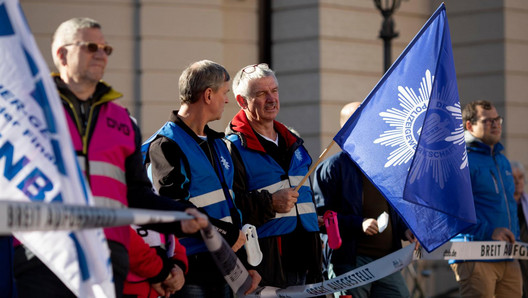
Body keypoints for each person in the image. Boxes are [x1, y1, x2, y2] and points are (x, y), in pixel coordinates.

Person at [13, 17, 209, 298]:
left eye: (106, 48)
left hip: (108, 255)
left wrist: (177, 218)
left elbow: (136, 195)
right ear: (61, 54)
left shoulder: (123, 122)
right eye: (91, 46)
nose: (102, 54)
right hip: (45, 252)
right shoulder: (29, 108)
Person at [141, 60, 261, 297]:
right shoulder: (166, 145)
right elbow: (174, 206)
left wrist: (244, 264)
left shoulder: (218, 143)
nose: (227, 100)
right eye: (224, 92)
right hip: (192, 271)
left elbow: (230, 207)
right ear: (208, 94)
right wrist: (225, 233)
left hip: (225, 267)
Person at [225, 63, 322, 288]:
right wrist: (270, 203)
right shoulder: (231, 149)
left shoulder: (295, 144)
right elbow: (229, 210)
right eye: (261, 93)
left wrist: (311, 217)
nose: (271, 99)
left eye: (274, 91)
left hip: (308, 266)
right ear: (241, 101)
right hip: (264, 270)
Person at [313, 102, 416, 298]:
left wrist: (405, 229)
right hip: (351, 263)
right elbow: (320, 218)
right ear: (346, 129)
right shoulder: (332, 168)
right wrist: (358, 224)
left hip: (388, 261)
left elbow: (395, 206)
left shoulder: (385, 166)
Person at [450, 100, 521, 297]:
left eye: (497, 119)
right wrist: (489, 232)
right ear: (469, 126)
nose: (496, 124)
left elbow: (509, 207)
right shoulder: (461, 160)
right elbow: (452, 213)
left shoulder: (502, 160)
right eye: (487, 121)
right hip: (475, 255)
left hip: (508, 256)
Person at [123, 227, 188, 298]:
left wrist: (178, 267)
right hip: (125, 288)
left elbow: (172, 241)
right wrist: (162, 273)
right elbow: (123, 238)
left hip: (154, 291)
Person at [512, 161, 528, 298]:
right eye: (513, 178)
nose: (518, 182)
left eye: (521, 177)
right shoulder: (502, 207)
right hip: (509, 262)